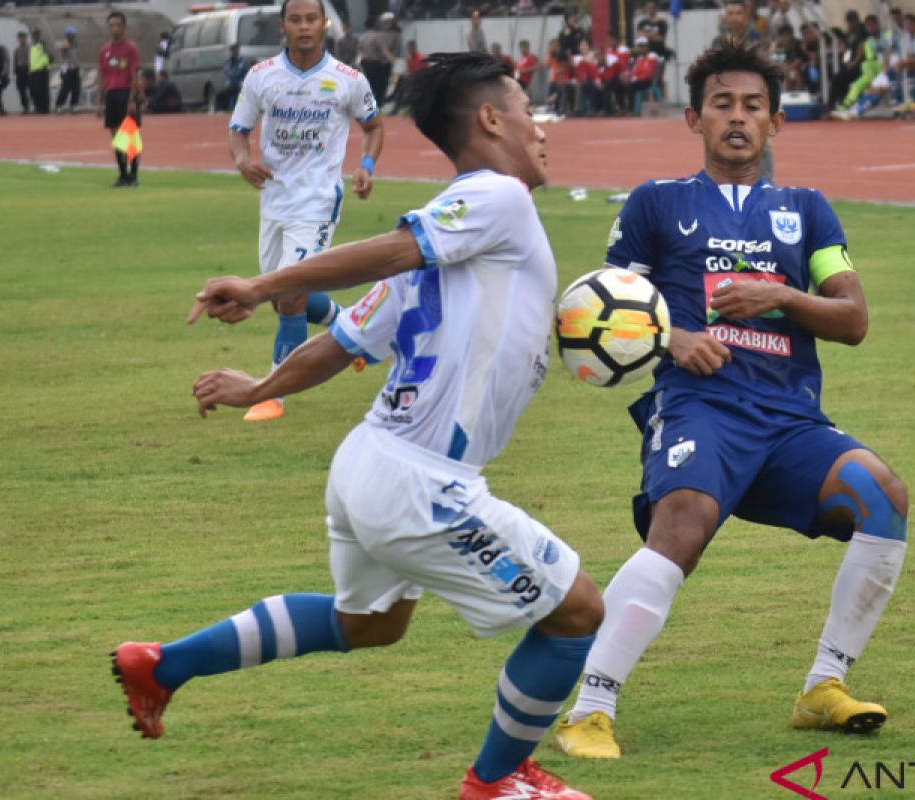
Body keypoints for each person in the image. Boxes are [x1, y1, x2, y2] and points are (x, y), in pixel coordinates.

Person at [112, 50, 602, 800]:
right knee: (576, 612)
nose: (541, 127)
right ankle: (496, 782)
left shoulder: (450, 238)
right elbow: (395, 252)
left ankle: (162, 664)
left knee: (369, 624)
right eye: (527, 107)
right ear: (491, 119)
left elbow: (343, 343)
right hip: (421, 482)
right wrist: (264, 284)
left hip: (370, 463)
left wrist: (261, 388)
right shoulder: (496, 198)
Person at [554, 40, 908, 759]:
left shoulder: (807, 213)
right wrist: (677, 337)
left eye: (753, 106)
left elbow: (854, 320)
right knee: (681, 524)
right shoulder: (657, 203)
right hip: (699, 408)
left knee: (884, 497)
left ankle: (822, 687)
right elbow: (599, 308)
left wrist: (780, 294)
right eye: (723, 105)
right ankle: (589, 709)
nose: (738, 118)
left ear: (776, 122)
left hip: (789, 422)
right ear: (694, 118)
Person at [225, 0, 384, 422]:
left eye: (311, 19)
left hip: (316, 201)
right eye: (295, 19)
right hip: (274, 200)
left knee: (291, 295)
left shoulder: (347, 80)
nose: (304, 27)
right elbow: (238, 131)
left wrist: (365, 166)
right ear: (284, 26)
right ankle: (354, 323)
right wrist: (242, 162)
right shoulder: (261, 77)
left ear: (323, 24)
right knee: (280, 297)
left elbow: (373, 125)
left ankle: (272, 394)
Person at [96, 12, 143, 188]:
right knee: (116, 137)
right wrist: (99, 104)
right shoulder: (105, 51)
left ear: (124, 27)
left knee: (130, 137)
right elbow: (102, 77)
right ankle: (122, 174)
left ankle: (134, 175)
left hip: (126, 94)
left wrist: (132, 99)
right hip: (111, 94)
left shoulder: (131, 49)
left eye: (118, 25)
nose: (114, 28)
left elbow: (134, 75)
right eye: (112, 25)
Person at [217, 43, 249, 111]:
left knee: (240, 97)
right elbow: (227, 74)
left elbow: (247, 74)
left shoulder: (243, 62)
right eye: (232, 51)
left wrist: (242, 83)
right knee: (220, 95)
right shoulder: (228, 63)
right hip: (231, 85)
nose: (233, 53)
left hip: (240, 86)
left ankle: (239, 109)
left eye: (235, 51)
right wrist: (228, 82)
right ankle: (222, 110)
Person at [28, 28, 51, 115]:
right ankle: (38, 107)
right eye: (33, 34)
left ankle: (44, 109)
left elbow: (50, 55)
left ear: (39, 35)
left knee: (42, 91)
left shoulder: (42, 44)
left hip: (42, 70)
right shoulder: (32, 46)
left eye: (36, 34)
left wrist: (46, 64)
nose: (34, 36)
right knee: (33, 90)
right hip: (33, 70)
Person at [55, 40, 82, 113]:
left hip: (75, 69)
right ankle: (59, 105)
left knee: (76, 88)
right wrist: (66, 46)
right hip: (67, 70)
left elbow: (77, 57)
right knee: (65, 88)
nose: (71, 37)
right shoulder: (64, 43)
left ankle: (73, 105)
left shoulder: (75, 45)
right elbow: (59, 46)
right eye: (70, 35)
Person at [13, 31, 30, 113]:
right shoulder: (16, 50)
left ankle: (31, 106)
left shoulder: (29, 48)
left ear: (25, 39)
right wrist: (14, 70)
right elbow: (15, 61)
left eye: (23, 38)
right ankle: (25, 106)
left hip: (27, 70)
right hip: (20, 71)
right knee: (21, 90)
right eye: (19, 38)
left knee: (30, 89)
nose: (21, 40)